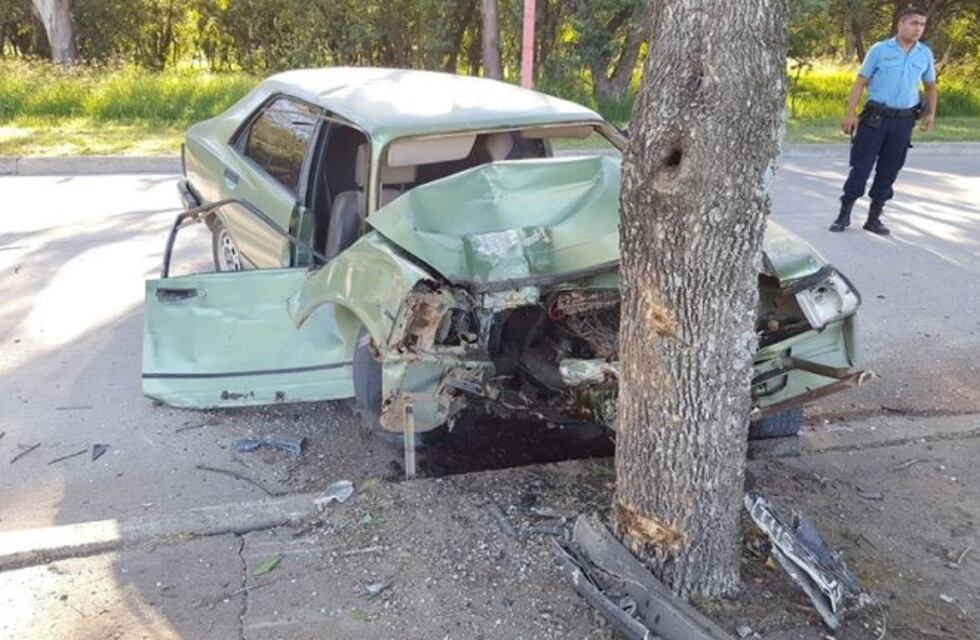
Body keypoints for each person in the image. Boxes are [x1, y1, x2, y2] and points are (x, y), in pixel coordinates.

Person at [829, 7, 937, 236]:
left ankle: (874, 218)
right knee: (861, 167)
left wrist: (930, 114)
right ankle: (844, 214)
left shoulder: (924, 54)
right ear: (901, 24)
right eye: (914, 23)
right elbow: (860, 82)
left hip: (903, 121)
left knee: (889, 170)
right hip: (875, 119)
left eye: (921, 24)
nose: (918, 28)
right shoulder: (880, 50)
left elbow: (930, 86)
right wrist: (850, 114)